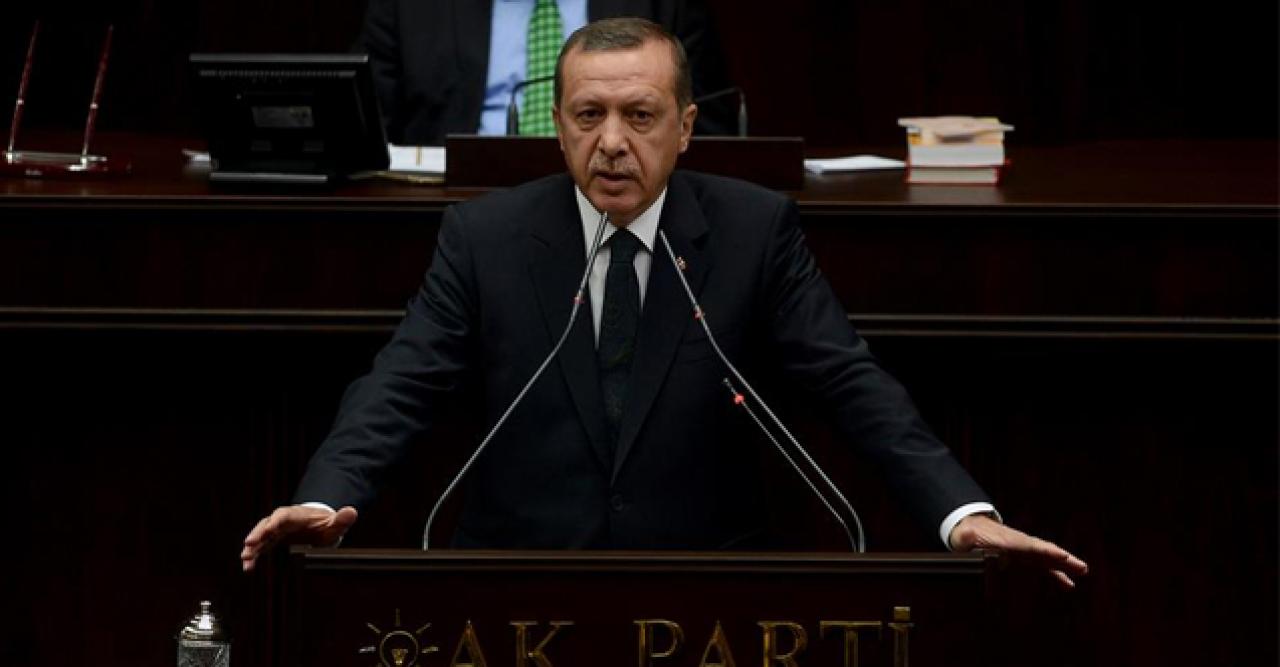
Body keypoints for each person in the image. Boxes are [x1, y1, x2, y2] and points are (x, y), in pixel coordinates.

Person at [243, 18, 1087, 588]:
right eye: (589, 115)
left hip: (710, 585)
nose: (612, 142)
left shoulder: (753, 231)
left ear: (684, 128)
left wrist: (960, 514)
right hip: (515, 585)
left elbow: (852, 385)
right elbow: (400, 384)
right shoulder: (486, 236)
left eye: (639, 115)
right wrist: (323, 499)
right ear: (558, 127)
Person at [359, 0, 737, 144]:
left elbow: (710, 135)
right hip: (454, 206)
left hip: (622, 203)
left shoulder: (664, 5)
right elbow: (363, 131)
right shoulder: (407, 8)